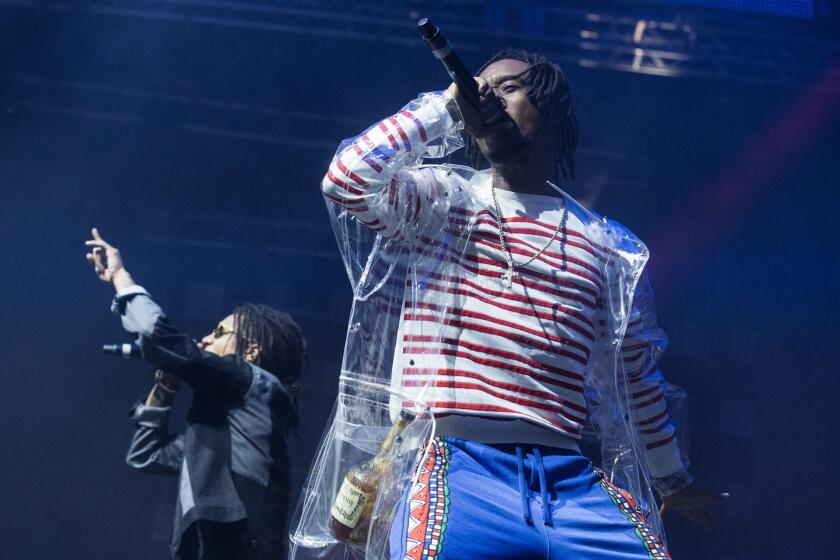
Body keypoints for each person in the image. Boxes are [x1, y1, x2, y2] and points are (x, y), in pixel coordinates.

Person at [314, 49, 724, 559]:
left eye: (505, 88)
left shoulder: (605, 245)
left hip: (570, 480)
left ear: (549, 104)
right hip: (458, 471)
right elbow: (348, 178)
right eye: (477, 92)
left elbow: (634, 380)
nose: (486, 99)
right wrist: (444, 106)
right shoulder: (443, 201)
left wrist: (670, 481)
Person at [85, 228, 306, 560]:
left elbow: (160, 338)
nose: (204, 339)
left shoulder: (255, 383)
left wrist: (120, 276)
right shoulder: (223, 426)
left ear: (253, 349)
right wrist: (165, 388)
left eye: (219, 332)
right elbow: (147, 453)